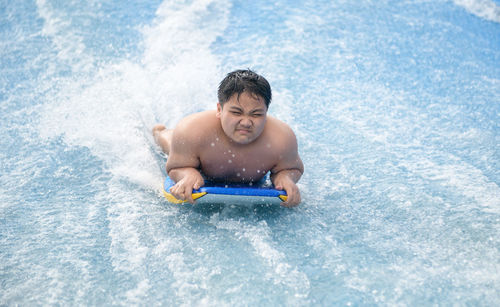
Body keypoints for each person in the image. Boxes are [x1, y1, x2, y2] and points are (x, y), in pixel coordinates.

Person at [153, 69, 304, 207]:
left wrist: (285, 177)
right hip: (194, 149)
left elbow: (293, 168)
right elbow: (175, 166)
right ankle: (161, 132)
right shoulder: (192, 131)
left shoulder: (282, 139)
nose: (246, 122)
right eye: (237, 113)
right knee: (172, 143)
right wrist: (187, 173)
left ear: (266, 112)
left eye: (256, 114)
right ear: (219, 110)